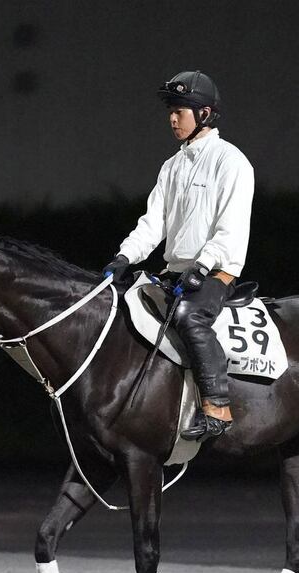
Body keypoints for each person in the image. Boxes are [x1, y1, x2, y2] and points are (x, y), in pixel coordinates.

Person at [103, 70, 254, 442]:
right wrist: (124, 257)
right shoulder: (171, 167)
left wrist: (203, 266)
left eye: (181, 110)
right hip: (177, 272)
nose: (173, 118)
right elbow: (153, 225)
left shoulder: (230, 162)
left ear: (204, 113)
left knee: (188, 315)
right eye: (171, 110)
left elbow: (230, 230)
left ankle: (217, 407)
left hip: (216, 272)